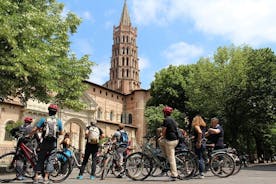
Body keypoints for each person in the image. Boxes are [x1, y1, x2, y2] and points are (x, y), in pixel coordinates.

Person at [29, 104, 63, 184]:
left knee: (41, 159)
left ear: (48, 111)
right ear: (56, 112)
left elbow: (35, 129)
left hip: (44, 142)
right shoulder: (58, 121)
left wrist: (29, 135)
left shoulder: (43, 119)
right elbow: (61, 132)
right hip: (53, 143)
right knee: (50, 160)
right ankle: (46, 178)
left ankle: (36, 177)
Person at [158, 106, 179, 181]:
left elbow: (164, 130)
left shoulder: (166, 120)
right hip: (175, 139)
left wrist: (162, 136)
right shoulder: (172, 119)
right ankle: (164, 155)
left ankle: (174, 175)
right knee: (160, 142)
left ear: (165, 113)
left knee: (171, 158)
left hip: (170, 140)